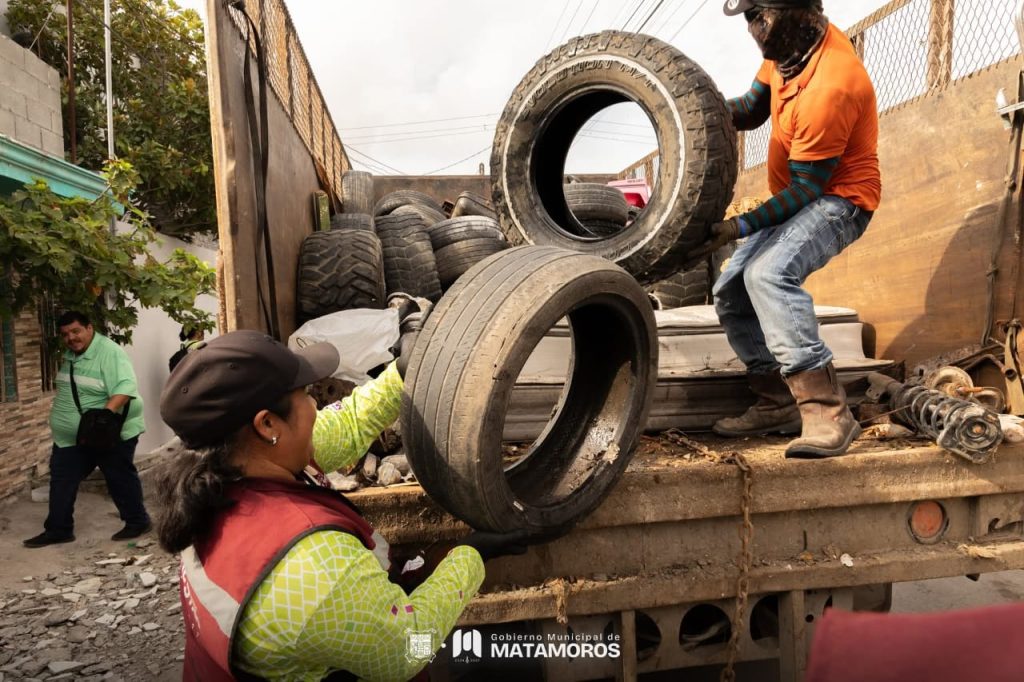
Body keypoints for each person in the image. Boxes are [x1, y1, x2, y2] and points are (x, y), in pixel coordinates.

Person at [156, 323, 529, 681]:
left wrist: (403, 371)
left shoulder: (221, 477)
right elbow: (406, 651)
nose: (315, 406)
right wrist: (470, 557)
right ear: (267, 425)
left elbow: (348, 424)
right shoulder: (312, 568)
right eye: (306, 395)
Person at [696, 0, 881, 458]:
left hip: (840, 200)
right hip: (800, 194)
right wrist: (693, 106)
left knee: (768, 275)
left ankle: (827, 411)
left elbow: (806, 191)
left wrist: (737, 226)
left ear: (798, 10)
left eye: (761, 15)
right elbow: (753, 108)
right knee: (731, 291)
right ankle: (777, 402)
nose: (755, 30)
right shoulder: (786, 50)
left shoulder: (833, 83)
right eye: (748, 19)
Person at [24, 311, 152, 547]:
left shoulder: (109, 353)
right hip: (71, 438)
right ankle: (59, 529)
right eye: (65, 334)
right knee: (62, 478)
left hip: (106, 432)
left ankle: (137, 521)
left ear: (89, 328)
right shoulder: (72, 354)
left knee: (118, 476)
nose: (71, 338)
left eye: (75, 331)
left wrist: (103, 418)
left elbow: (125, 386)